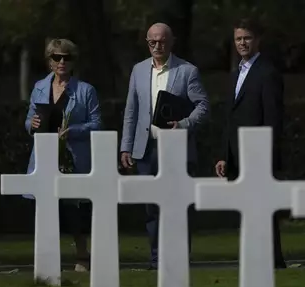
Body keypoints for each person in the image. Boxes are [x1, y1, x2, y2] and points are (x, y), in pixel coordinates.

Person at [121, 23, 210, 269]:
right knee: (151, 208)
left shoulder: (187, 71)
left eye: (161, 42)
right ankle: (157, 259)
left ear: (171, 42)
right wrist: (125, 146)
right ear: (147, 42)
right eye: (152, 42)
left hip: (176, 149)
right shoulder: (138, 70)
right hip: (146, 149)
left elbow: (203, 107)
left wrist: (182, 124)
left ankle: (180, 258)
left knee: (180, 205)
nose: (157, 47)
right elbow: (132, 110)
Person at [24, 38, 102, 272]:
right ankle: (49, 257)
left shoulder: (86, 91)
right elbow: (28, 120)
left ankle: (82, 256)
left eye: (67, 57)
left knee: (74, 209)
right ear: (49, 61)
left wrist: (74, 131)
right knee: (46, 208)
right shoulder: (39, 87)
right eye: (56, 57)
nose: (61, 62)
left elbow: (97, 124)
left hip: (73, 157)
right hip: (44, 156)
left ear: (73, 62)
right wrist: (32, 123)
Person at [214, 18, 286, 269]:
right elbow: (230, 117)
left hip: (259, 154)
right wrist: (225, 154)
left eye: (247, 38)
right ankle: (254, 257)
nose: (242, 43)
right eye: (238, 39)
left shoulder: (268, 73)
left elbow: (273, 118)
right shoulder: (235, 75)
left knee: (264, 209)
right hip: (237, 152)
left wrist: (265, 153)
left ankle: (273, 260)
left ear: (257, 40)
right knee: (246, 209)